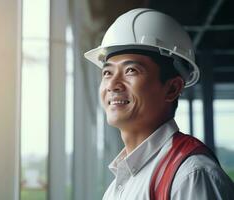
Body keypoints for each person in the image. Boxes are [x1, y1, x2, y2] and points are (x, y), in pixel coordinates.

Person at [84, 8, 234, 200]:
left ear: (172, 88)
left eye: (130, 70)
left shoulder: (190, 176)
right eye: (107, 72)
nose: (113, 84)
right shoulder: (117, 188)